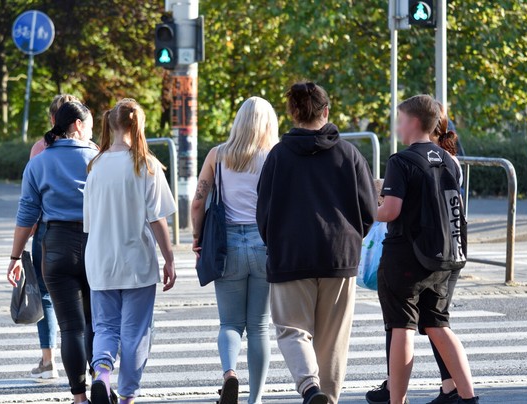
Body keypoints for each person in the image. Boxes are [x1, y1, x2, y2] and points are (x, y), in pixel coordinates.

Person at [256, 82, 377, 404]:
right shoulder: (349, 153)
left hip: (290, 254)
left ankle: (310, 387)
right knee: (333, 342)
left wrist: (276, 240)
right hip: (339, 255)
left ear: (292, 113)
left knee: (291, 329)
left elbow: (263, 209)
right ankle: (328, 399)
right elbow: (368, 209)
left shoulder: (279, 155)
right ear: (326, 111)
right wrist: (351, 238)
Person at [375, 95, 478, 404]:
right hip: (445, 257)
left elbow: (391, 211)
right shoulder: (450, 159)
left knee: (402, 326)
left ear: (413, 122)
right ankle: (468, 396)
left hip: (406, 256)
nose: (397, 125)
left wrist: (367, 207)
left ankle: (398, 400)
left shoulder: (401, 160)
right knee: (438, 325)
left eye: (400, 119)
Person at [84, 99, 177, 404]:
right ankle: (127, 396)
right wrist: (169, 259)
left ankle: (102, 374)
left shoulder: (95, 166)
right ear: (138, 125)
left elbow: (89, 222)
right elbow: (157, 218)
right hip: (136, 261)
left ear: (109, 125)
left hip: (100, 261)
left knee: (105, 327)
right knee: (136, 332)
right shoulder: (146, 165)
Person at [7, 102, 98, 404]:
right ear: (76, 125)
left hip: (55, 245)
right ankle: (103, 381)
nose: (92, 131)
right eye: (89, 124)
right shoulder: (97, 158)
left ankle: (79, 397)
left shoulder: (39, 162)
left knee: (70, 326)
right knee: (97, 323)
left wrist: (14, 257)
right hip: (95, 244)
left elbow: (26, 214)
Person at [191, 96, 278, 404]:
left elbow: (199, 200)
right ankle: (255, 399)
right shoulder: (272, 157)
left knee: (229, 323)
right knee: (258, 327)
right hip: (264, 245)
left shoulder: (218, 155)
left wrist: (197, 236)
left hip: (226, 246)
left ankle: (229, 375)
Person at [26, 94, 81, 380]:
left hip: (47, 232)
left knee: (46, 296)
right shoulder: (92, 149)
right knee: (85, 296)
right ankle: (93, 361)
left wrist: (17, 246)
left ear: (52, 120)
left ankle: (48, 360)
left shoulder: (40, 149)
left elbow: (30, 199)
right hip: (85, 232)